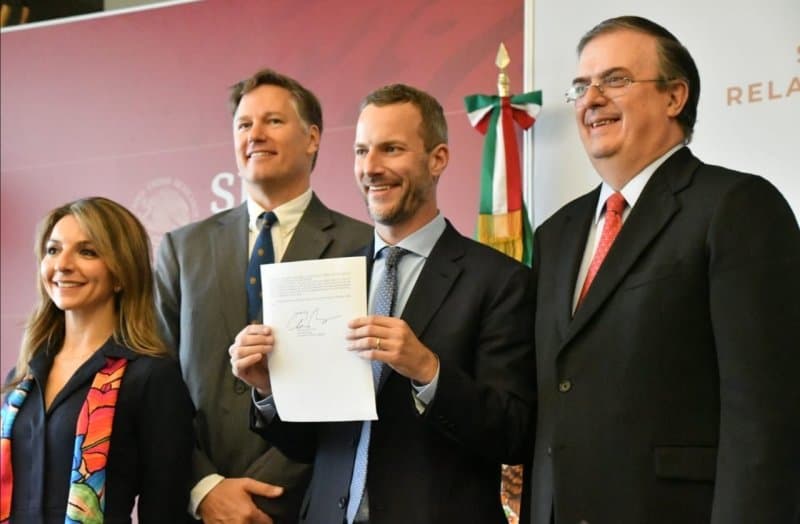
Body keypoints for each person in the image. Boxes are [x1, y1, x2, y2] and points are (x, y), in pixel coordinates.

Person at [522, 15, 800, 524]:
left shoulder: (737, 207)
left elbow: (764, 415)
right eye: (581, 86)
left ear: (675, 97)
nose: (591, 98)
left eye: (616, 80)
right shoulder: (556, 234)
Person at [230, 83, 537, 524]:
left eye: (390, 149)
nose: (371, 168)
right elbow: (310, 445)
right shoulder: (330, 278)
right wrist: (268, 389)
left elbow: (514, 433)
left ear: (438, 159)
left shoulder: (500, 281)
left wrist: (428, 371)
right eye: (361, 151)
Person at [154, 68, 372, 524]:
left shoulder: (362, 247)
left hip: (309, 501)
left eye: (272, 121)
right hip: (198, 504)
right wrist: (206, 487)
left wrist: (270, 491)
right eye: (243, 124)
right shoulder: (182, 248)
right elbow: (157, 384)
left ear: (312, 138)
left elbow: (359, 394)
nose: (255, 134)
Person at [0, 196, 194, 523]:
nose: (62, 264)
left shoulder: (151, 375)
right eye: (53, 250)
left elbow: (165, 509)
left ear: (121, 273)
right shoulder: (22, 376)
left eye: (87, 251)